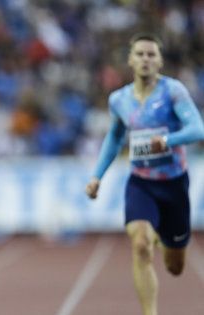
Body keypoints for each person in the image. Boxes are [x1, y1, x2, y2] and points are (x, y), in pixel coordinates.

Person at [85, 33, 204, 315]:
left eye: (151, 54)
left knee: (175, 266)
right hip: (141, 184)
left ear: (160, 61)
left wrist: (167, 141)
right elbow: (114, 139)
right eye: (140, 54)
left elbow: (198, 129)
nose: (145, 59)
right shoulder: (119, 100)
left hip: (174, 185)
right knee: (140, 245)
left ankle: (165, 237)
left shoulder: (173, 91)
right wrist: (96, 176)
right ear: (130, 60)